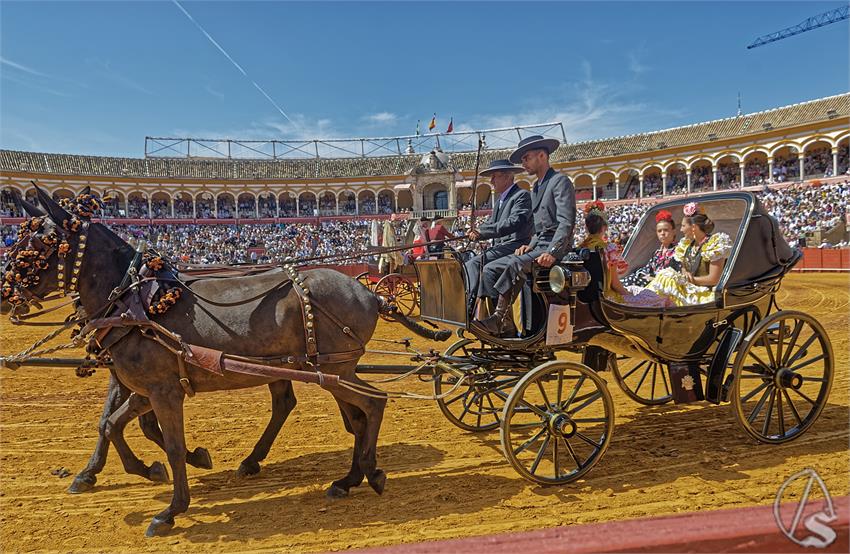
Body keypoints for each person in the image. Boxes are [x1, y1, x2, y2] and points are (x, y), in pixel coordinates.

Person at [474, 135, 576, 337]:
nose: (523, 163)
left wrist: (553, 253)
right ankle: (507, 328)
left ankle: (498, 319)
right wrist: (531, 244)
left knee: (515, 264)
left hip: (556, 249)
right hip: (538, 247)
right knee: (490, 269)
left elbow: (566, 222)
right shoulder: (537, 187)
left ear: (542, 156)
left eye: (527, 157)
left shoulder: (559, 181)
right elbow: (539, 230)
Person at [465, 159, 533, 318]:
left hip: (515, 245)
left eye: (495, 176)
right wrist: (478, 231)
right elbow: (491, 222)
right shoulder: (501, 200)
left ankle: (472, 305)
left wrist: (483, 232)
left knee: (474, 263)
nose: (491, 181)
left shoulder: (522, 195)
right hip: (501, 247)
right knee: (471, 262)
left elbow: (514, 222)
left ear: (508, 177)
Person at [578, 201, 670, 307]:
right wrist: (630, 295)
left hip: (586, 298)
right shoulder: (608, 249)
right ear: (604, 228)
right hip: (608, 299)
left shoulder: (580, 249)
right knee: (661, 300)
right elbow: (615, 284)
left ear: (586, 227)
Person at [645, 202, 733, 306]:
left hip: (704, 293)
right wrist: (684, 272)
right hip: (688, 288)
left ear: (693, 227)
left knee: (666, 277)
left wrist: (686, 280)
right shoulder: (686, 245)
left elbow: (714, 279)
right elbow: (683, 267)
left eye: (683, 226)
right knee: (665, 276)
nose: (681, 229)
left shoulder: (714, 244)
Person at [622, 209, 681, 287]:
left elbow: (676, 277)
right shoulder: (657, 253)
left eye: (666, 230)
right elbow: (647, 270)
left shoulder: (678, 252)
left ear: (673, 231)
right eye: (659, 231)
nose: (662, 233)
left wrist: (652, 279)